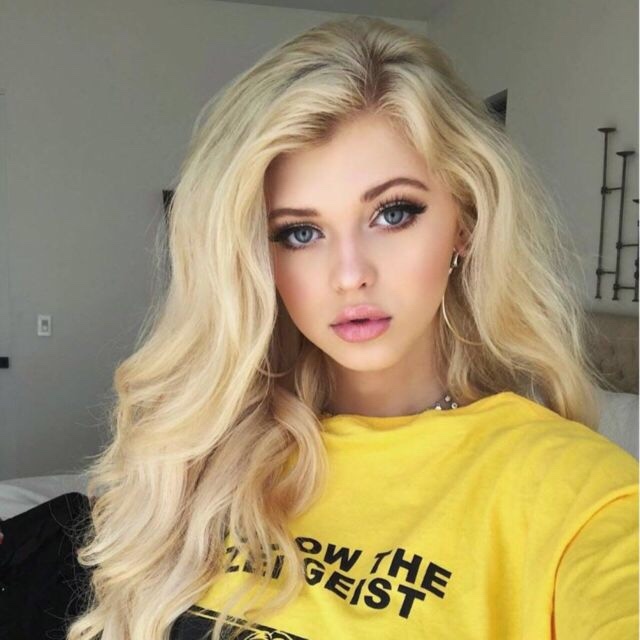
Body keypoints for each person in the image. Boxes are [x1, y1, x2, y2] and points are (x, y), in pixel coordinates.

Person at [66, 15, 638, 640]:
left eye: (392, 214)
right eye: (299, 232)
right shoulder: (207, 457)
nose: (349, 275)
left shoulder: (578, 495)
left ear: (465, 222)